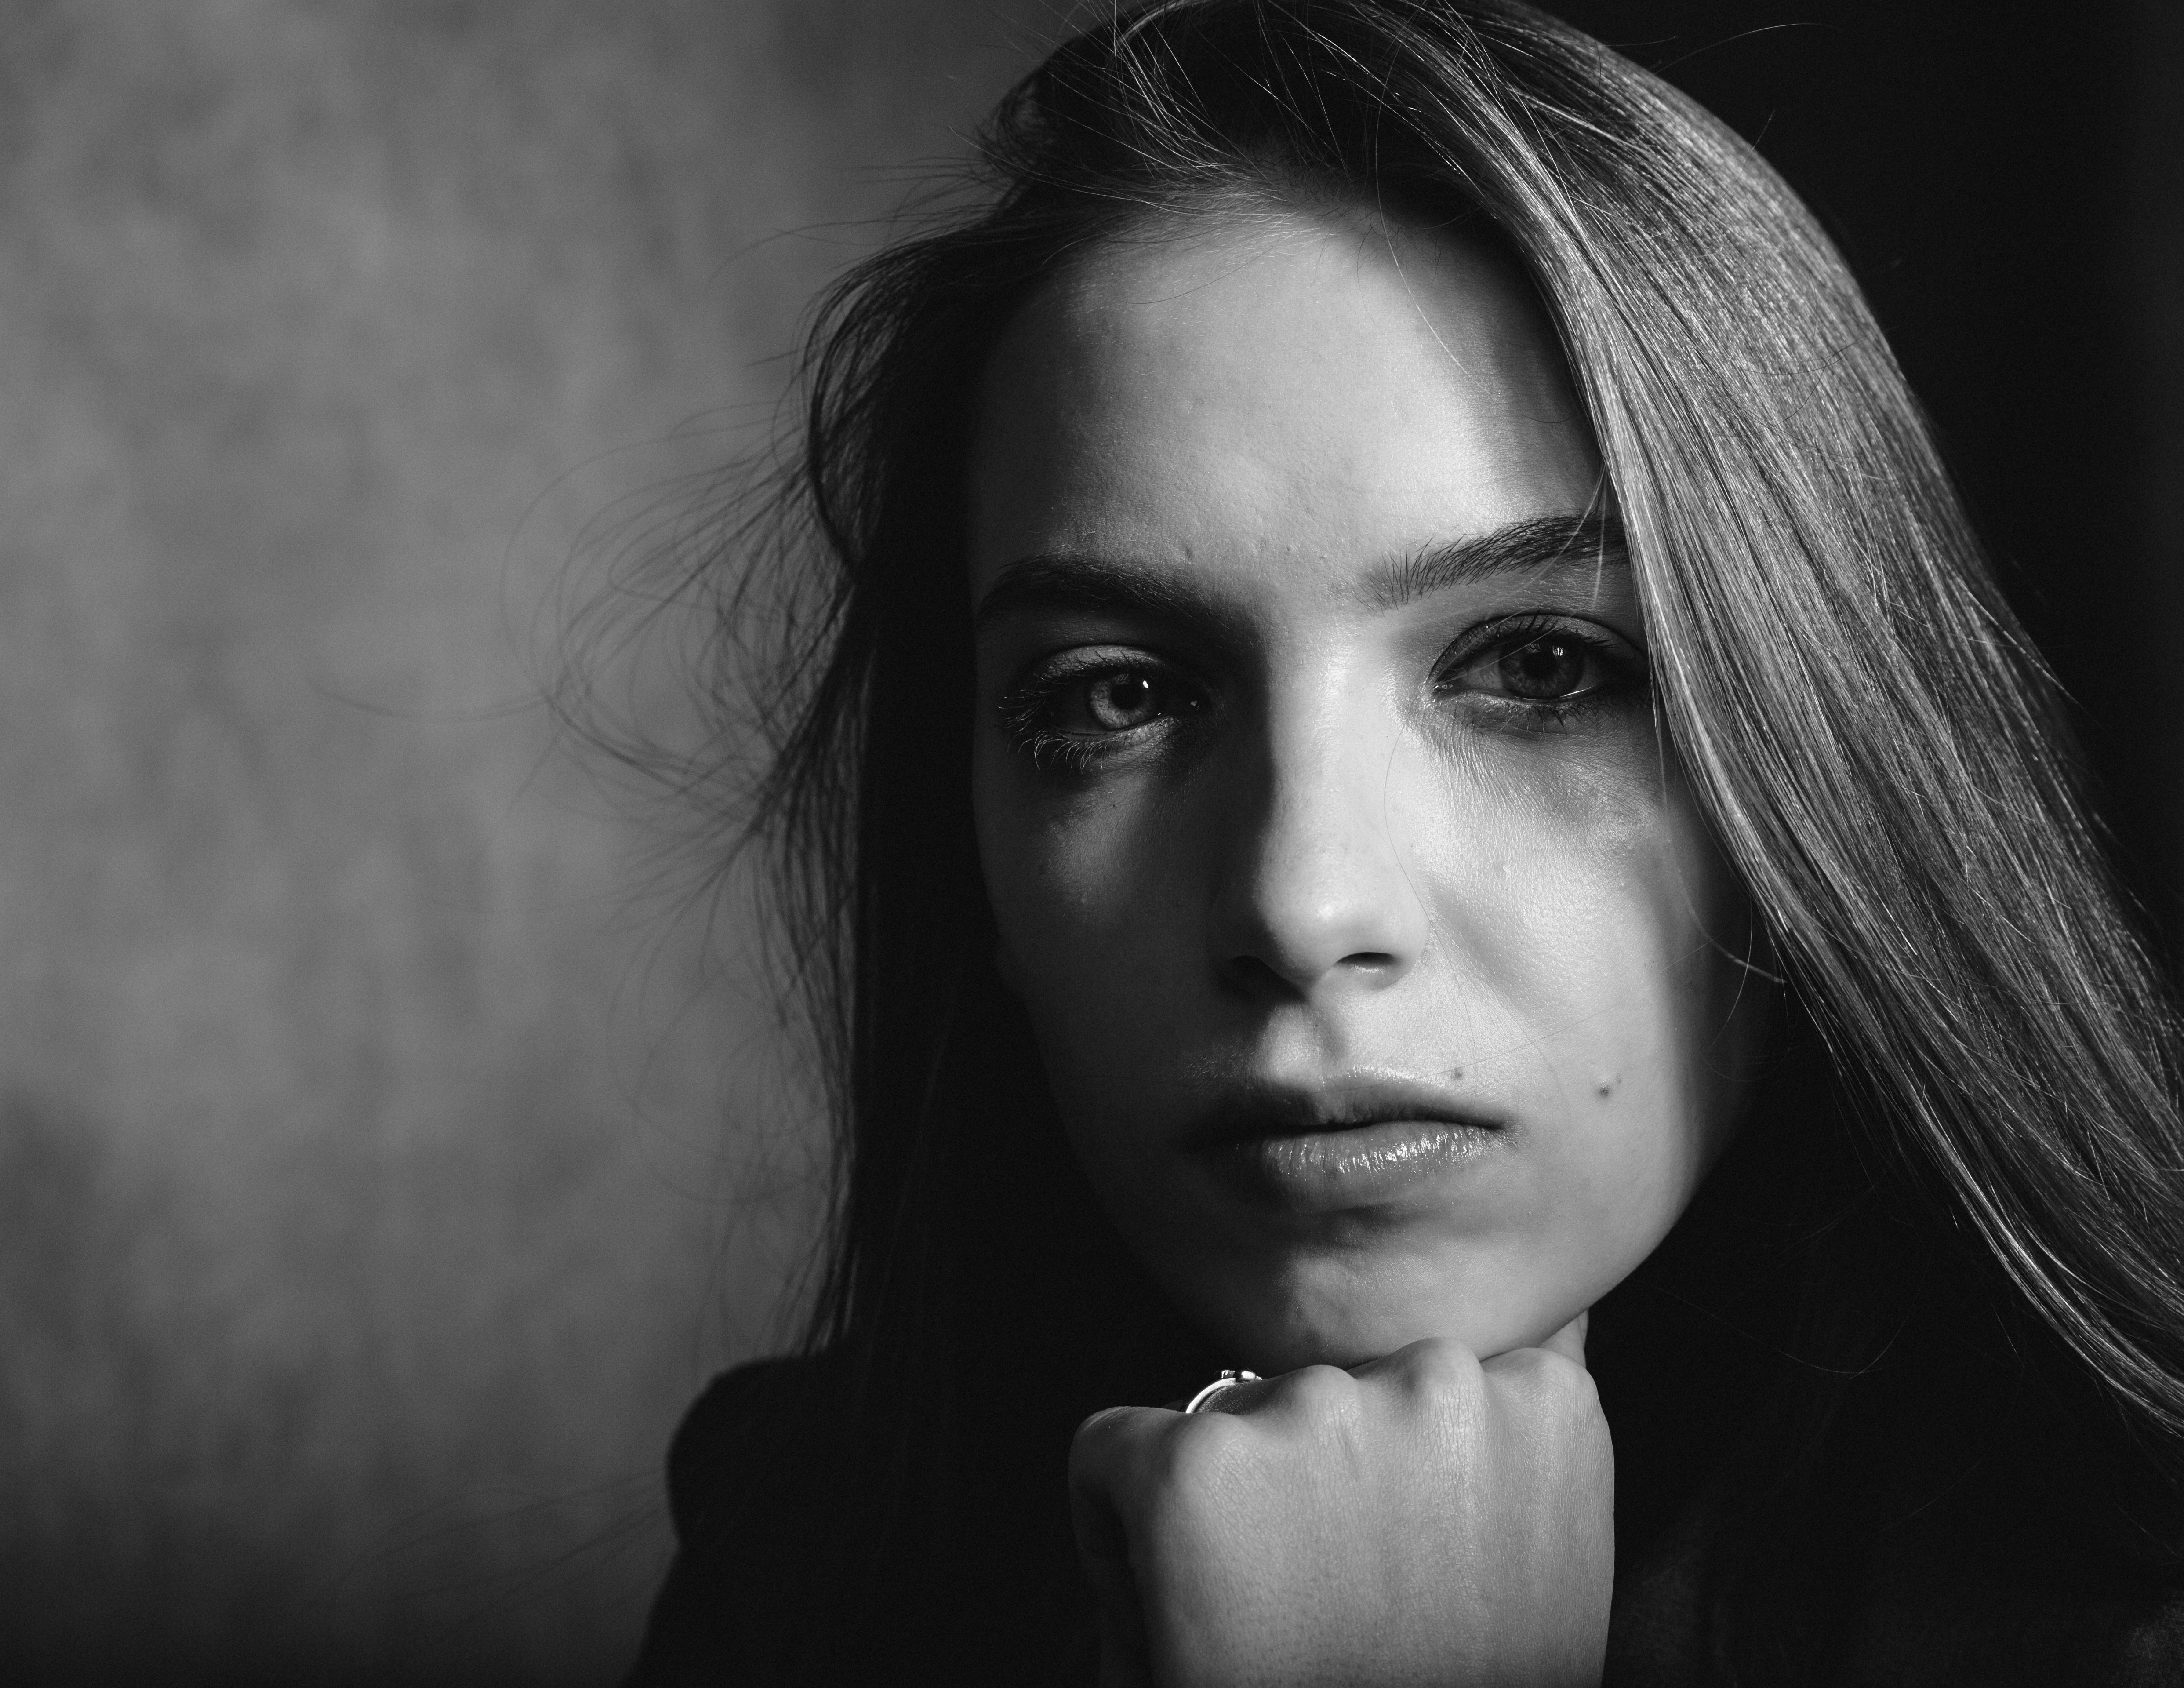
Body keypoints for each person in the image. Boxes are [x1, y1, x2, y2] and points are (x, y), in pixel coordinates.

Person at [621, 0, 2184, 1681]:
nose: (1301, 904)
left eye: (1539, 667)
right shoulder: (809, 1574)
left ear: (1823, 768)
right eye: (1118, 695)